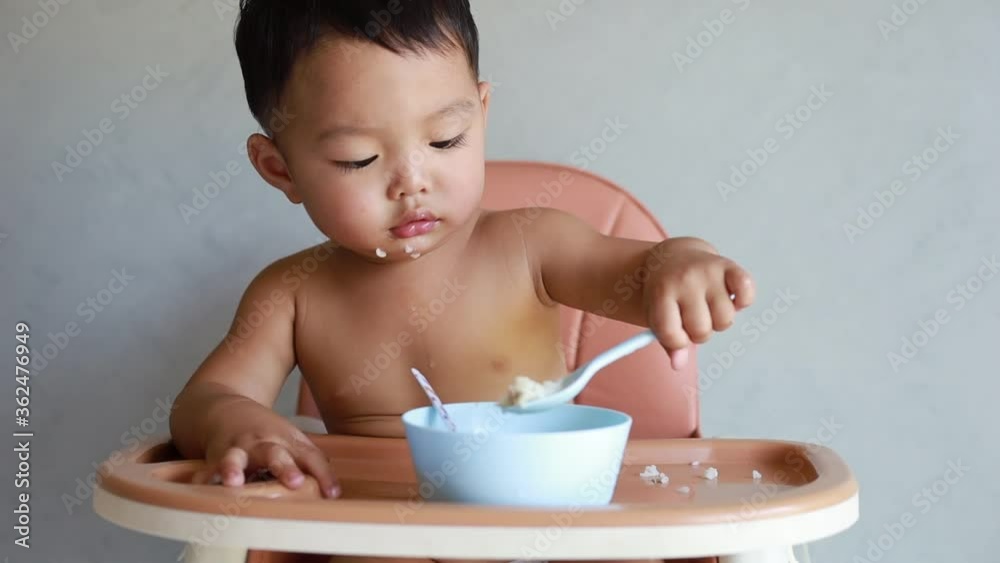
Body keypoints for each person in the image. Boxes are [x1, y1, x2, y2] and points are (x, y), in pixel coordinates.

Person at [169, 2, 754, 562]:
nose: (412, 182)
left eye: (445, 140)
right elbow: (207, 398)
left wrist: (680, 264)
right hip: (389, 532)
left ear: (481, 112)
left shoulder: (531, 245)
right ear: (281, 169)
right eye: (358, 159)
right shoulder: (291, 294)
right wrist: (232, 422)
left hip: (552, 519)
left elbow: (636, 271)